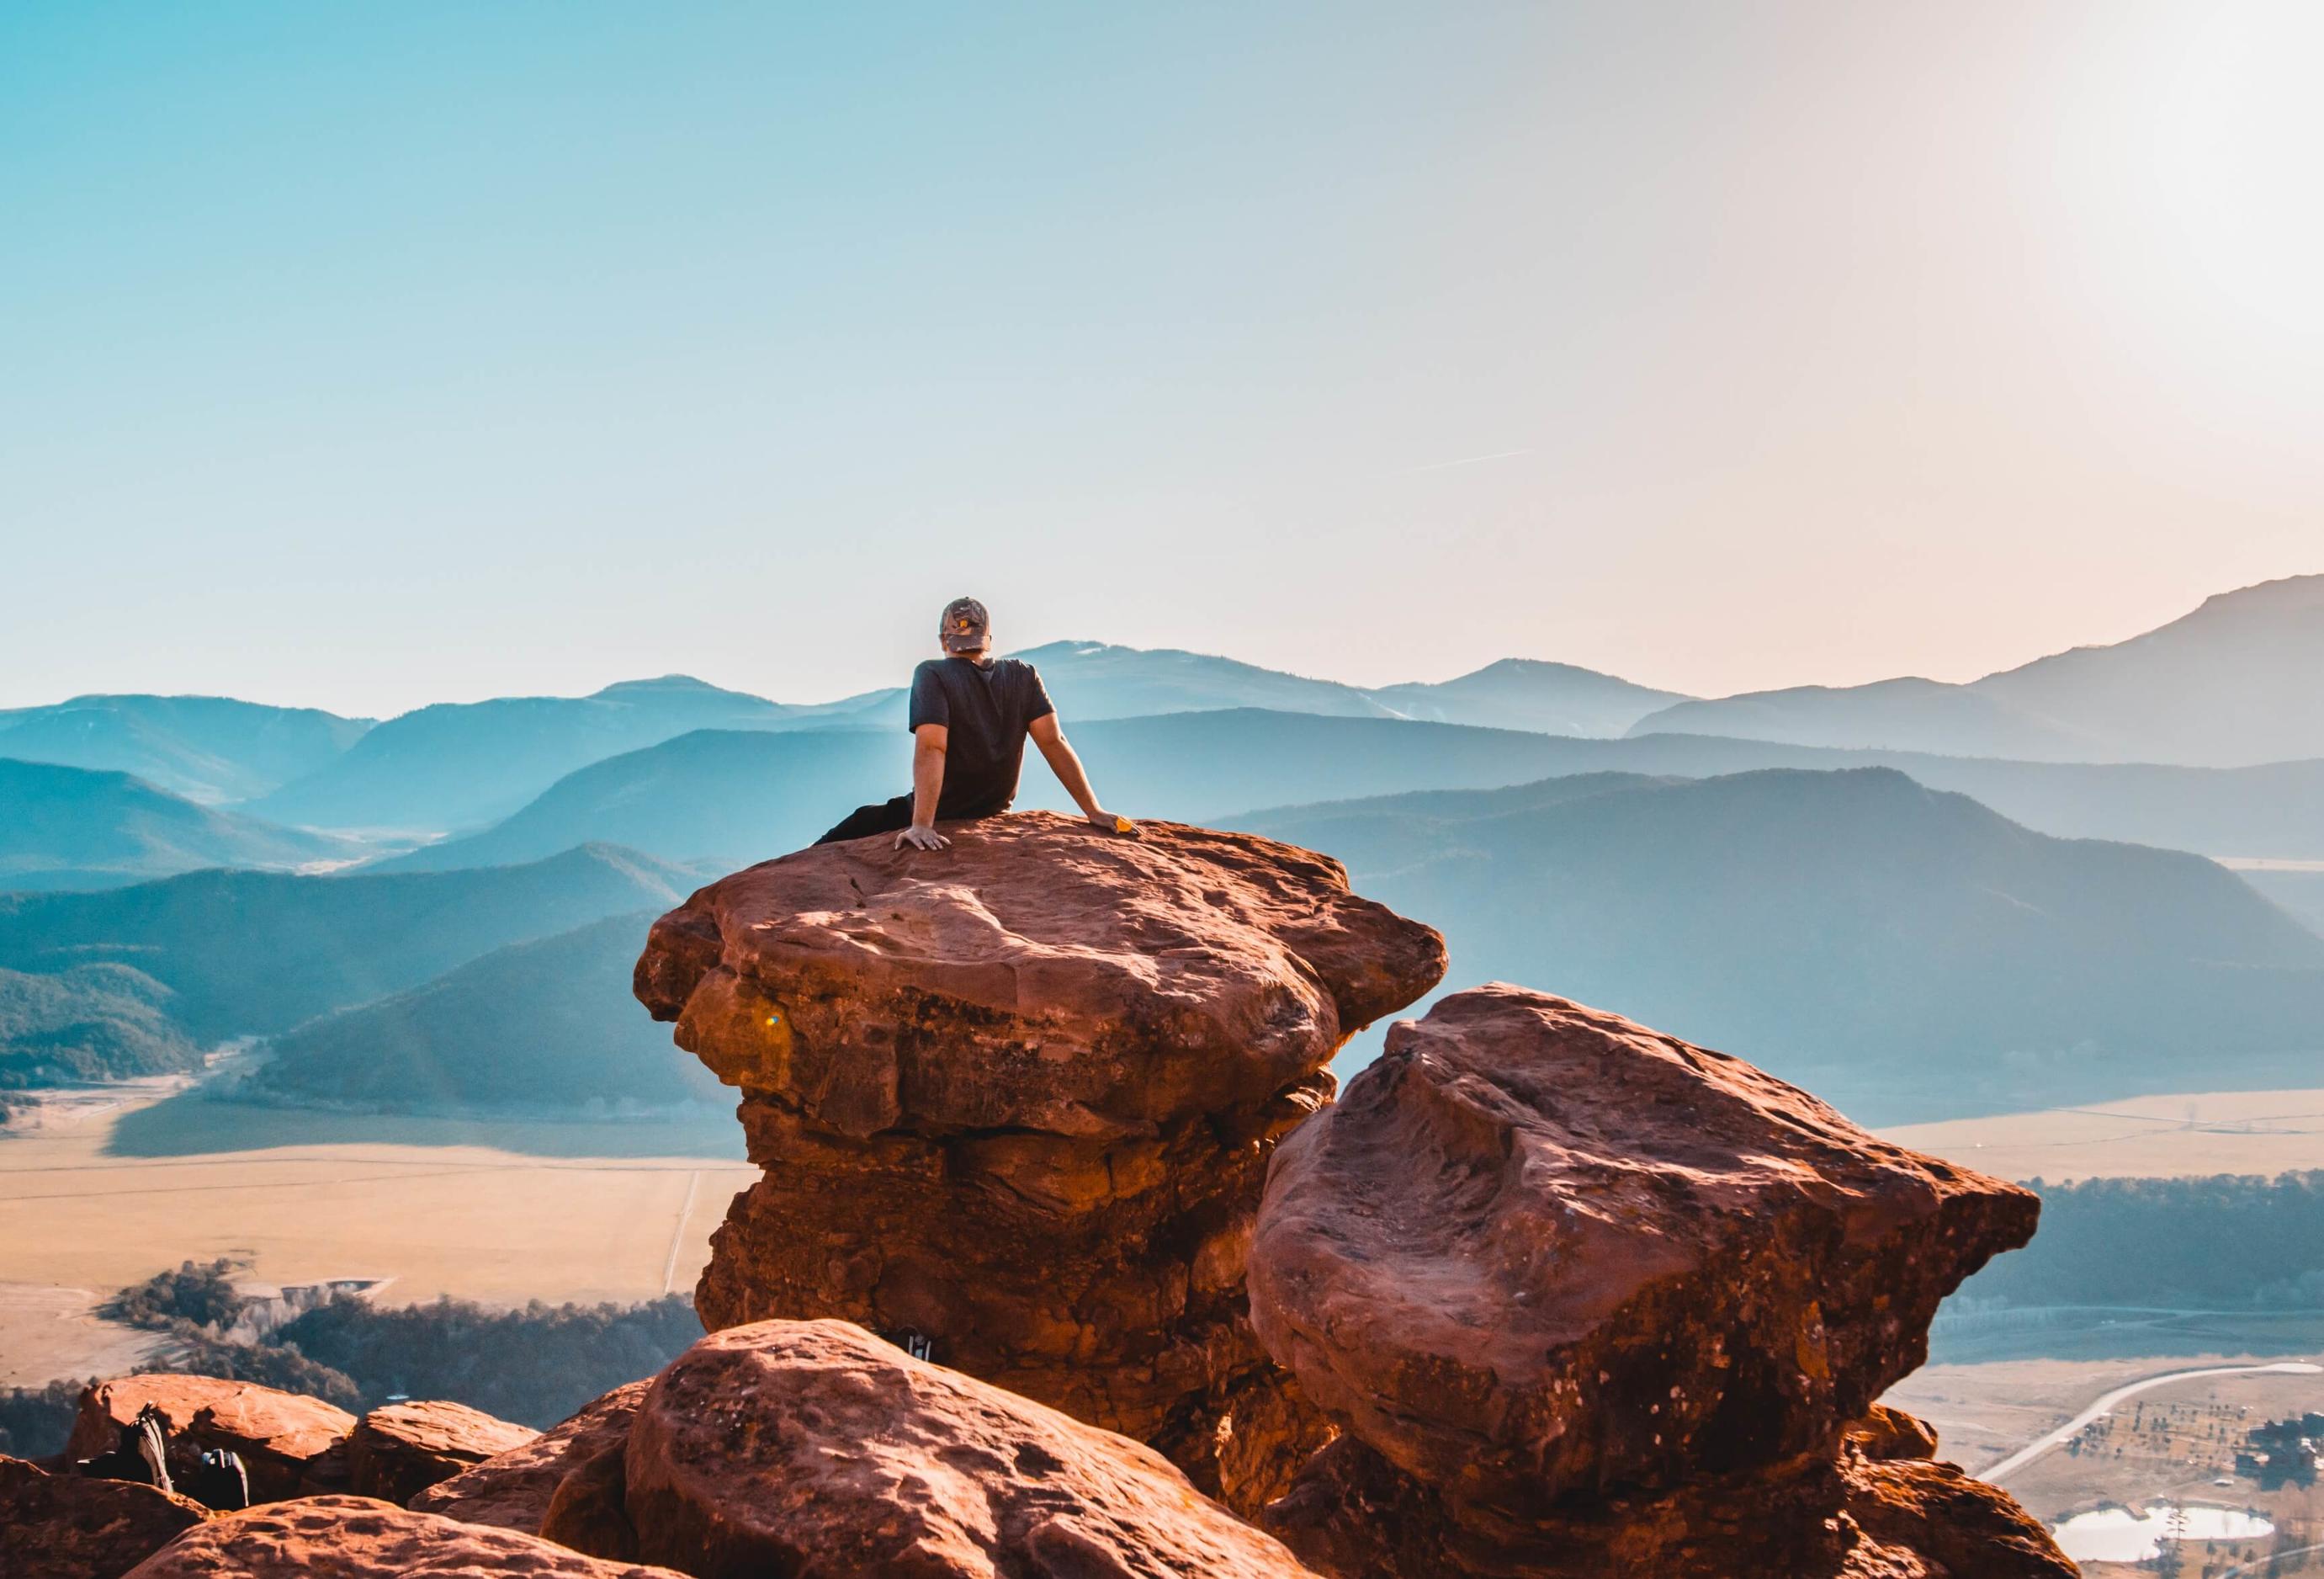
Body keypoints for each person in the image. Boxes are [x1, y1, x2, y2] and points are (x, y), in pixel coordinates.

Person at [815, 597, 1134, 850]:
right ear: (988, 639)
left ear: (944, 639)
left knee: (856, 824)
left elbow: (932, 746)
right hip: (995, 808)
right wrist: (1093, 811)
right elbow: (1054, 743)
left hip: (947, 809)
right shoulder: (1023, 675)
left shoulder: (932, 674)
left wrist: (923, 825)